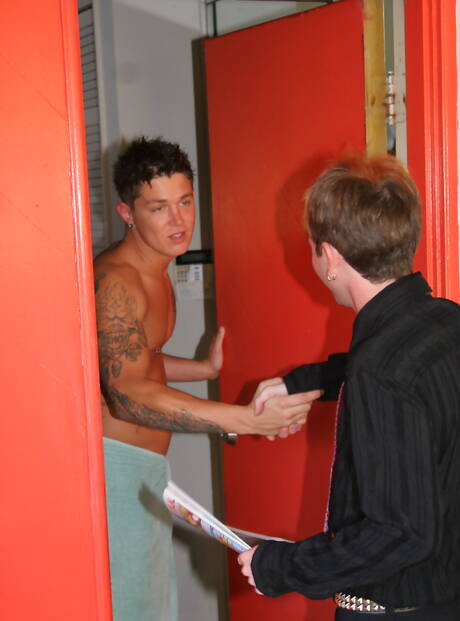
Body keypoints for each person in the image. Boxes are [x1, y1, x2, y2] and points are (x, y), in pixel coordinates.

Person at [94, 136, 319, 621]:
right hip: (114, 473)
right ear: (127, 213)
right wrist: (242, 420)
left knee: (155, 607)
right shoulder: (117, 281)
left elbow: (137, 356)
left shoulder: (157, 266)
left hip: (146, 471)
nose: (178, 221)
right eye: (158, 208)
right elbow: (126, 393)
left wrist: (202, 370)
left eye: (184, 201)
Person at [239, 154, 460, 620]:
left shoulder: (378, 372)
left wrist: (279, 567)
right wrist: (304, 381)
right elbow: (401, 369)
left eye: (313, 248)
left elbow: (399, 533)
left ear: (332, 258)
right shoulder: (445, 321)